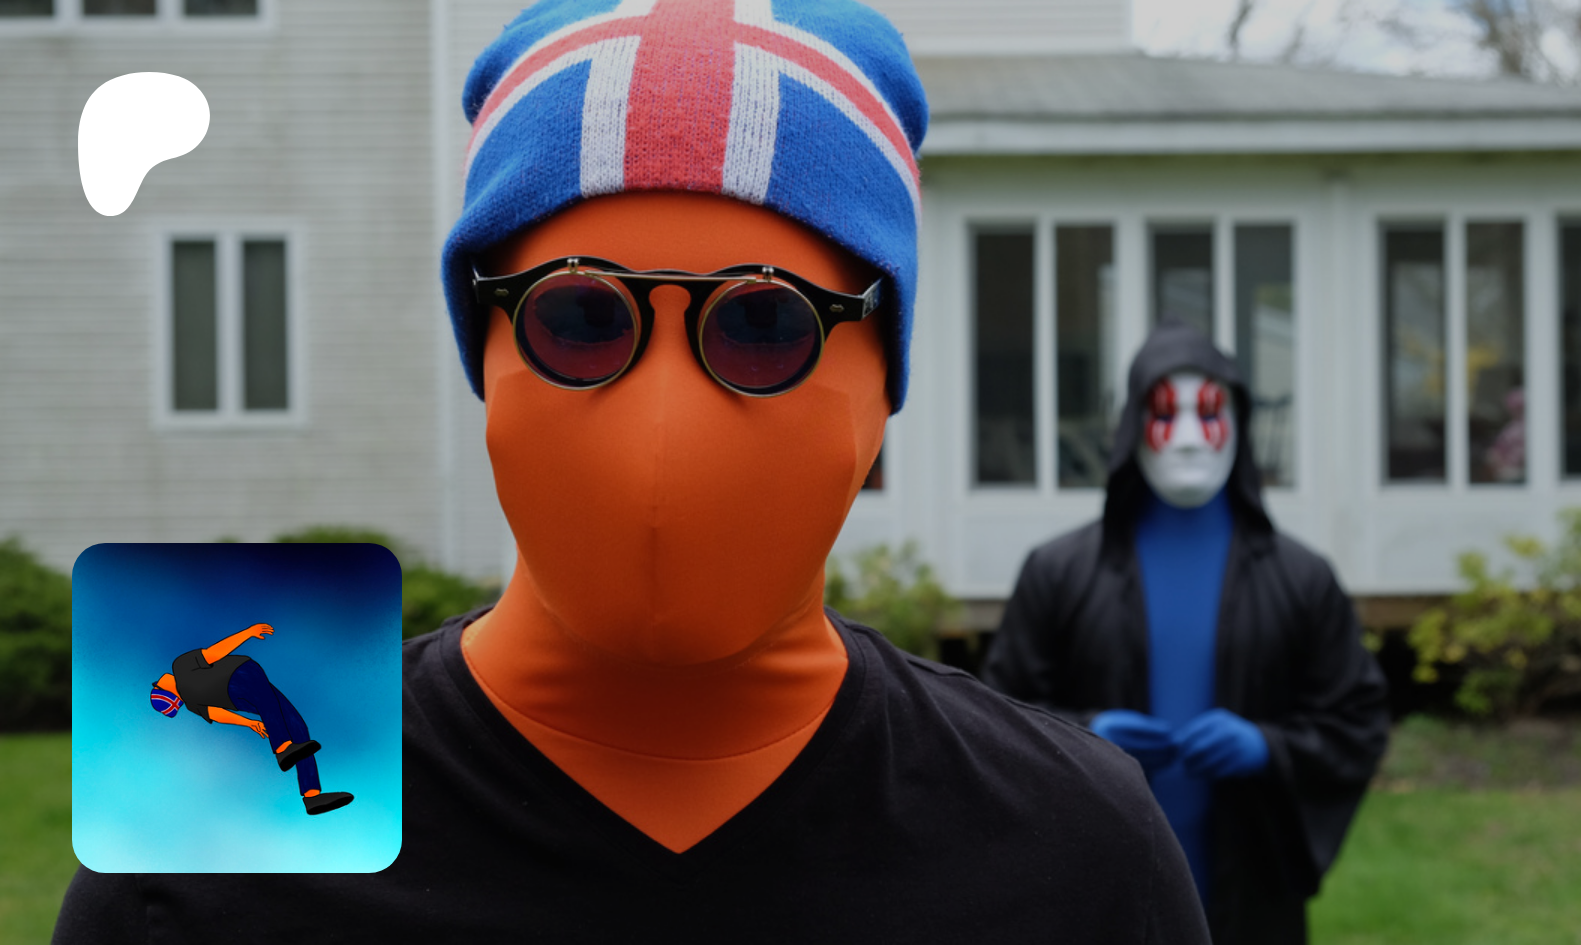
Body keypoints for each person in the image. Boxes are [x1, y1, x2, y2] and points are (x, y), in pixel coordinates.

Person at [56, 1, 1208, 941]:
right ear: (483, 355)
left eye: (763, 324)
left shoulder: (1075, 855)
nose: (664, 427)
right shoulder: (207, 857)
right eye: (578, 317)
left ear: (883, 381)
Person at [983, 320, 1390, 945]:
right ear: (1132, 426)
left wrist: (1267, 748)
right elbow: (995, 722)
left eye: (1209, 412)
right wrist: (1083, 738)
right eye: (1165, 413)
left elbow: (1356, 719)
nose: (1190, 439)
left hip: (1250, 895)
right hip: (1097, 897)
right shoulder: (1057, 573)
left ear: (1239, 422)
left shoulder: (1302, 579)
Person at [149, 622, 353, 815]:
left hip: (238, 700)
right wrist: (248, 633)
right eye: (159, 684)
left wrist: (248, 723)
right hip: (240, 675)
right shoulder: (180, 667)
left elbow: (217, 715)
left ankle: (312, 795)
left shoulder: (191, 703)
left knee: (294, 722)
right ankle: (283, 748)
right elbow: (214, 653)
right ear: (165, 689)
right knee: (277, 710)